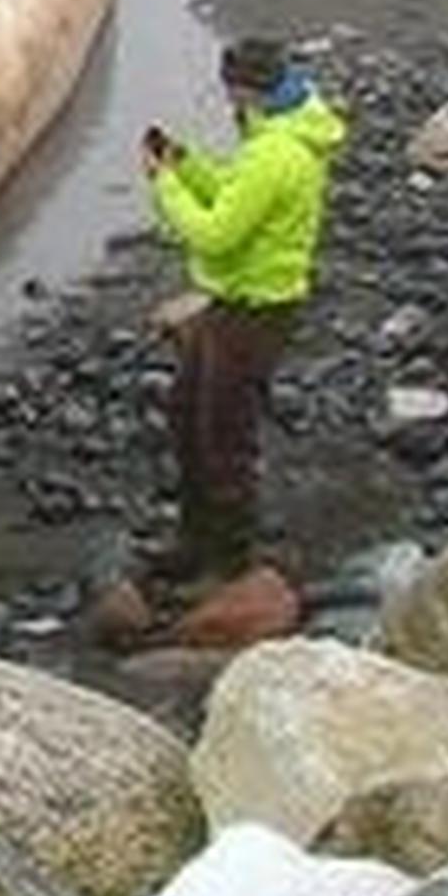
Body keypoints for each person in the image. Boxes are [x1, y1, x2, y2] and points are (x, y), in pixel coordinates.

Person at [134, 36, 348, 619]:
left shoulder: (277, 152)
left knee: (223, 436)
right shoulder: (276, 132)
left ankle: (226, 565)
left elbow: (214, 234)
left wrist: (163, 184)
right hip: (232, 305)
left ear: (243, 88)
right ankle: (192, 542)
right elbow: (233, 192)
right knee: (186, 416)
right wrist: (186, 162)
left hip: (255, 311)